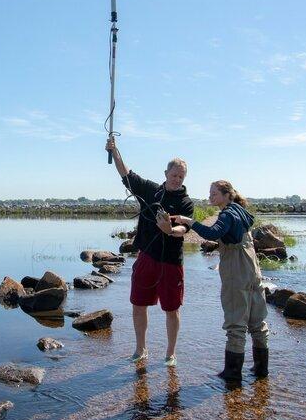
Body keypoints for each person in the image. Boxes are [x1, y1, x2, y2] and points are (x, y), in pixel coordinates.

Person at [105, 136, 195, 367]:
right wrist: (115, 151)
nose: (176, 179)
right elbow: (126, 174)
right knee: (138, 303)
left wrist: (170, 229)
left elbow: (184, 228)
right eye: (173, 175)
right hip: (147, 257)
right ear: (165, 173)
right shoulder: (150, 190)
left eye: (181, 177)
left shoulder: (186, 202)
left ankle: (170, 353)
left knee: (172, 309)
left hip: (171, 262)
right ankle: (140, 348)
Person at [173, 180, 269, 382]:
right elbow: (237, 231)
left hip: (236, 268)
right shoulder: (240, 210)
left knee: (236, 322)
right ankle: (261, 370)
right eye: (210, 194)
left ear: (226, 195)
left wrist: (189, 221)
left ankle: (232, 374)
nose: (210, 197)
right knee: (257, 320)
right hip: (253, 267)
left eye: (214, 194)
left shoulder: (226, 214)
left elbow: (213, 232)